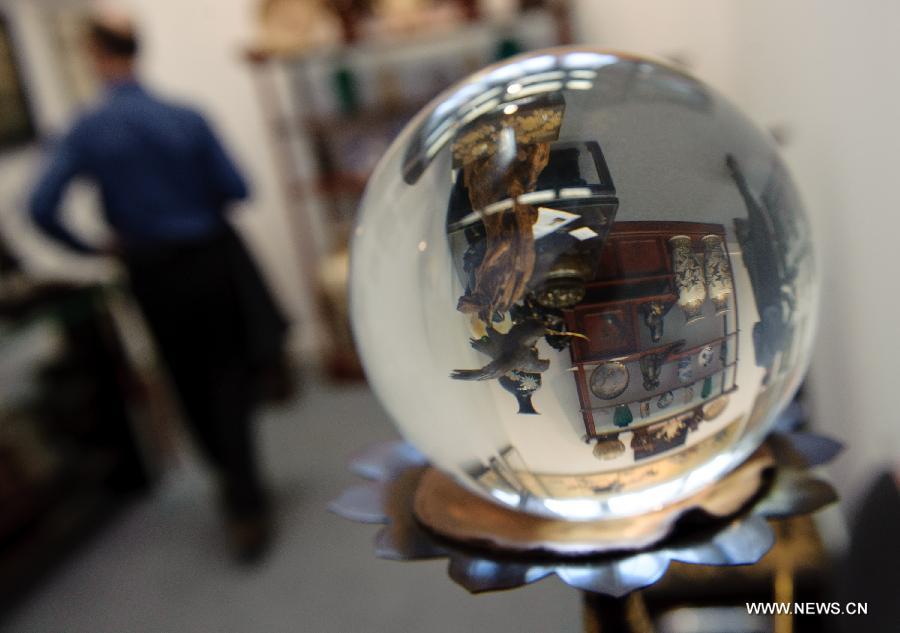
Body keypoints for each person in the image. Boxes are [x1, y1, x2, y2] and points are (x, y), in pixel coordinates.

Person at [29, 9, 287, 562]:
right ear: (135, 52)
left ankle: (232, 484)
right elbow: (238, 188)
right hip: (209, 262)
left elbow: (39, 208)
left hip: (148, 272)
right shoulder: (185, 117)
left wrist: (93, 249)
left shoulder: (87, 129)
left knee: (185, 376)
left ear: (95, 57)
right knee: (227, 373)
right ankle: (245, 495)